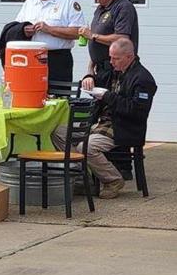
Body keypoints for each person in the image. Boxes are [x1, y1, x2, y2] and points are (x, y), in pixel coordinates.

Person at [53, 38, 156, 199]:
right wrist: (89, 76)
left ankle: (113, 180)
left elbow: (136, 111)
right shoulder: (114, 71)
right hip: (99, 123)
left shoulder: (143, 79)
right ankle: (83, 178)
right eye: (110, 57)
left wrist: (108, 96)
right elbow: (96, 77)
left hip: (123, 127)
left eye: (116, 58)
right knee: (58, 133)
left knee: (86, 147)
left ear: (129, 57)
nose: (111, 62)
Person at [14, 0, 85, 84]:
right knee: (32, 97)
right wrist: (24, 30)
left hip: (58, 59)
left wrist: (49, 29)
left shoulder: (67, 1)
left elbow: (78, 32)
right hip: (32, 58)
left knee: (59, 98)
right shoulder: (30, 3)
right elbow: (16, 27)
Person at [79, 0, 139, 78]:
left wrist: (92, 36)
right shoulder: (100, 9)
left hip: (117, 71)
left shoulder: (123, 7)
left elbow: (122, 40)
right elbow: (96, 46)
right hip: (101, 71)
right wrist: (90, 69)